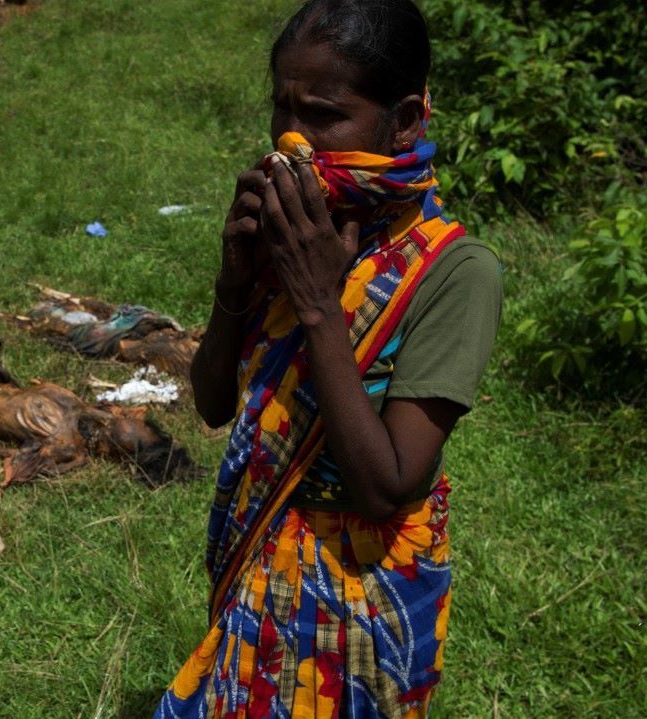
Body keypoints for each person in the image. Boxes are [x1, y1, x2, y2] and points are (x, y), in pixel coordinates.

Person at [157, 1, 502, 717]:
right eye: (281, 107)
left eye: (321, 113)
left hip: (360, 594)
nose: (292, 138)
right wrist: (235, 283)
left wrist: (318, 302)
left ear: (405, 119)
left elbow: (389, 484)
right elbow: (215, 404)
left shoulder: (454, 272)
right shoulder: (302, 231)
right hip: (259, 564)